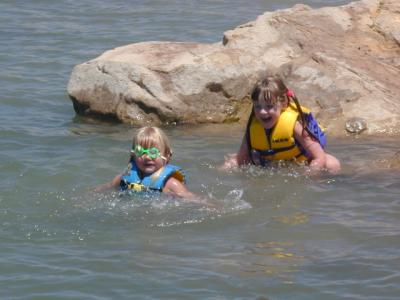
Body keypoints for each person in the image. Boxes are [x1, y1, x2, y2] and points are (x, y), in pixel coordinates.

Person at [222, 75, 341, 174]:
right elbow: (241, 158)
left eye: (269, 106)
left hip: (301, 164)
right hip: (269, 165)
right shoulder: (253, 127)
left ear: (283, 103)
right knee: (231, 163)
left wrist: (308, 176)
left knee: (332, 164)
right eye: (258, 106)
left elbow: (319, 156)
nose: (263, 112)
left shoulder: (294, 125)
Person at [94, 126, 196, 199]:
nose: (147, 157)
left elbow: (191, 198)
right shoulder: (123, 178)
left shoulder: (170, 183)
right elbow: (105, 187)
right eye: (140, 152)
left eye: (153, 152)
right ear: (133, 155)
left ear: (167, 155)